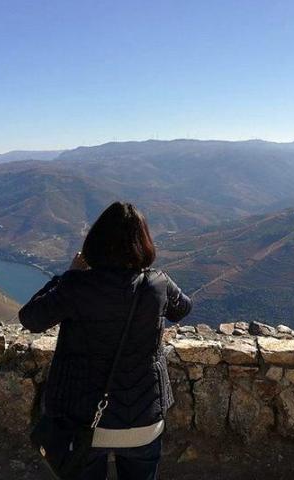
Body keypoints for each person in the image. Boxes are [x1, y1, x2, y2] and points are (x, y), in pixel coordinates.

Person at [19, 201, 192, 480]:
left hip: (83, 422)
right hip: (144, 419)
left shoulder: (77, 286)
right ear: (143, 242)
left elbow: (30, 318)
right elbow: (182, 309)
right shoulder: (157, 283)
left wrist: (69, 275)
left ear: (95, 242)